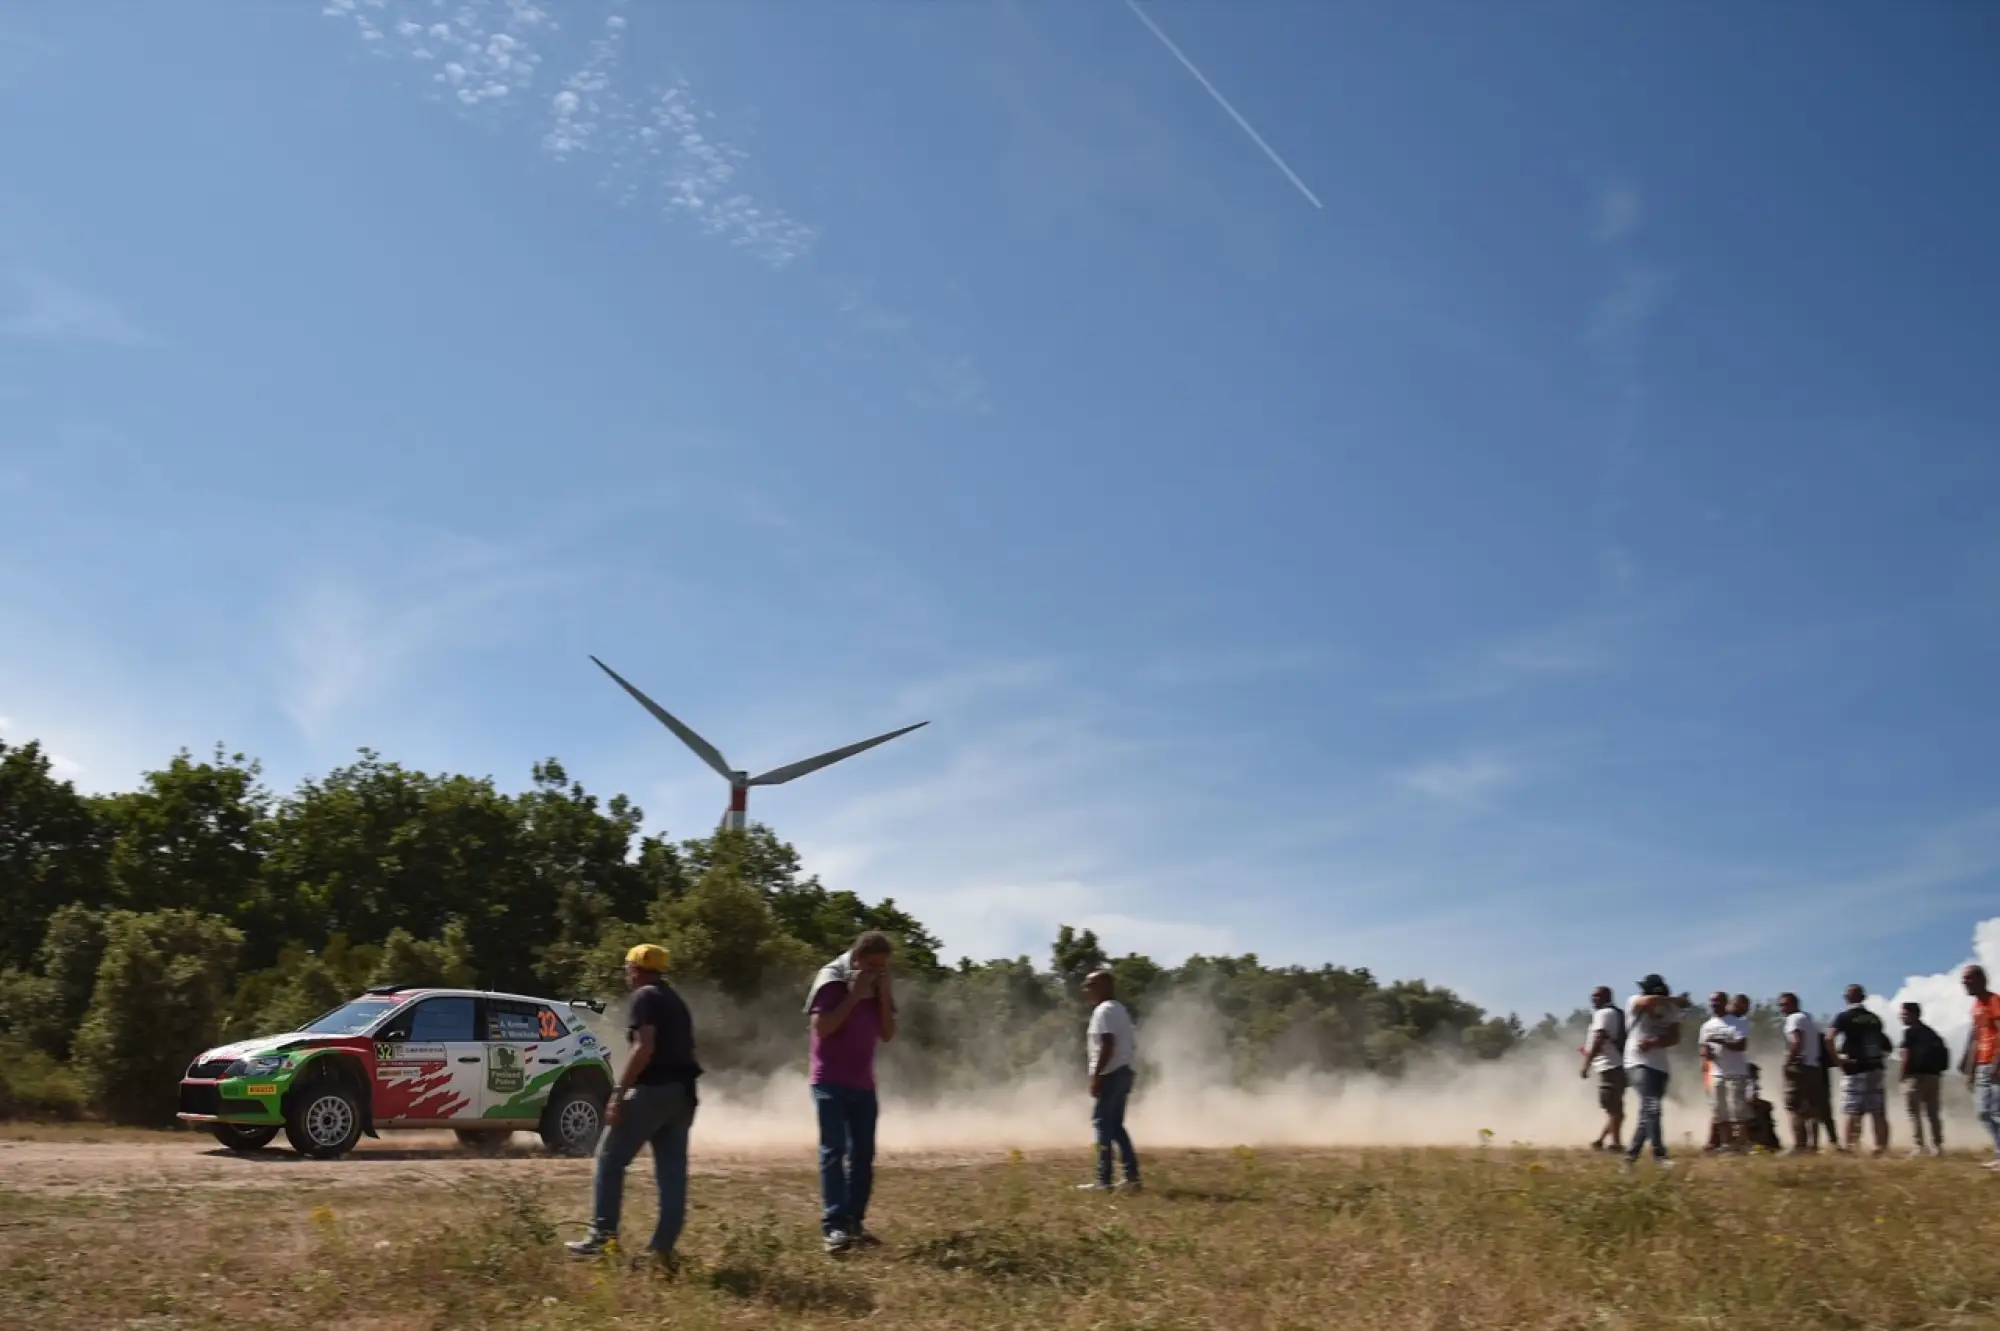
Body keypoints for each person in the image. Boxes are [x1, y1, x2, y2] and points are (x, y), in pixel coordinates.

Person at [566, 943, 701, 1265]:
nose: (626, 974)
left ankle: (602, 1238)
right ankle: (661, 1250)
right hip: (683, 1093)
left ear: (636, 970)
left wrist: (618, 1093)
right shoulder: (674, 999)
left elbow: (644, 1048)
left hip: (653, 1090)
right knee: (672, 1173)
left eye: (628, 968)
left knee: (609, 1158)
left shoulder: (644, 997)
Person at [805, 930, 898, 1254]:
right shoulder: (831, 980)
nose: (877, 972)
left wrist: (883, 996)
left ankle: (854, 1223)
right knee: (834, 1150)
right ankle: (833, 1227)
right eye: (871, 965)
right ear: (856, 959)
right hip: (829, 1080)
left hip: (863, 1084)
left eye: (883, 967)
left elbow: (887, 1034)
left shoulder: (878, 986)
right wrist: (854, 996)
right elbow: (824, 1028)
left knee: (863, 1155)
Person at [1076, 969, 1141, 1192]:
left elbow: (1107, 1045)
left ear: (1104, 986)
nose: (1087, 991)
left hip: (1111, 1074)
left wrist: (1097, 1076)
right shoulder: (1121, 1010)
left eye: (1090, 986)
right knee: (1116, 1127)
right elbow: (1131, 1044)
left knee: (1102, 1125)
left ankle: (1103, 1180)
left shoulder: (1103, 1011)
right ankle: (1131, 1177)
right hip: (1124, 1071)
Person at [1622, 974, 1685, 1170]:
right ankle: (1660, 1155)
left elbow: (1675, 1037)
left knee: (1647, 1114)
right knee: (1652, 1107)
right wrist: (1674, 1000)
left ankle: (1629, 1159)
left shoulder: (1671, 1010)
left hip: (1660, 1066)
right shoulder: (1635, 1001)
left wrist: (1655, 1042)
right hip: (1637, 1062)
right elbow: (1648, 1001)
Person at [1829, 983, 1891, 1156]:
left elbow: (1829, 1038)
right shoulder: (1875, 1019)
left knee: (1851, 1109)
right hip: (1876, 1068)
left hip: (1854, 1068)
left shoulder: (1844, 1017)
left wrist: (1838, 1061)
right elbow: (1887, 1046)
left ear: (1846, 998)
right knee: (1877, 1111)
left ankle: (1850, 1147)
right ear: (1863, 998)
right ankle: (1881, 1148)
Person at [1699, 990, 1751, 1153]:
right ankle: (1727, 1144)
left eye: (1717, 1002)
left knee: (1737, 1111)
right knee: (1719, 1111)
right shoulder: (1707, 1026)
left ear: (1725, 1003)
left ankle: (1741, 1144)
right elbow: (1703, 1047)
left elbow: (1741, 1045)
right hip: (1716, 1073)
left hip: (1736, 1073)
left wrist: (1719, 1040)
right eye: (1712, 1002)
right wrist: (1706, 1054)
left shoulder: (1737, 1022)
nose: (1714, 1005)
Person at [1961, 964, 2000, 1169]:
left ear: (1981, 979)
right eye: (1963, 980)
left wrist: (1996, 1063)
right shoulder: (1975, 1007)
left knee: (1996, 1111)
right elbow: (1976, 1040)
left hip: (1996, 1064)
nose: (1964, 983)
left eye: (1968, 978)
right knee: (1983, 1112)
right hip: (1982, 1064)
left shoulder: (1994, 1001)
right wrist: (1970, 1071)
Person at [1579, 985, 1626, 1151]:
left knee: (1613, 1108)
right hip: (1615, 1064)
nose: (1594, 1000)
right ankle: (1600, 1141)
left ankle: (1615, 1144)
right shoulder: (1614, 1013)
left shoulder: (1604, 1013)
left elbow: (1599, 1038)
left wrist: (1587, 1064)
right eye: (1593, 997)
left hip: (1610, 1065)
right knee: (1615, 1109)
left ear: (1607, 997)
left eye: (1597, 997)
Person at [1897, 1000, 1947, 1157]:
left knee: (1914, 1113)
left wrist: (1902, 1075)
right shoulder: (1931, 1032)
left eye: (1904, 1013)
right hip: (1934, 1077)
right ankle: (1938, 1146)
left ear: (1912, 1014)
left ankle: (1920, 1146)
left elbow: (1906, 1054)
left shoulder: (1910, 1032)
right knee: (1933, 1113)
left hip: (1916, 1077)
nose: (1901, 1016)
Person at [1778, 992, 1827, 1153]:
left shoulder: (1794, 1019)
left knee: (1794, 1106)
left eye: (1784, 1005)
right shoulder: (1808, 1018)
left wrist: (1787, 1063)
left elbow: (1797, 1042)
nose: (1781, 1008)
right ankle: (1813, 1145)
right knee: (1812, 1108)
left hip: (1800, 1067)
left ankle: (1800, 1146)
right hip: (1814, 1067)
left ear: (1792, 1004)